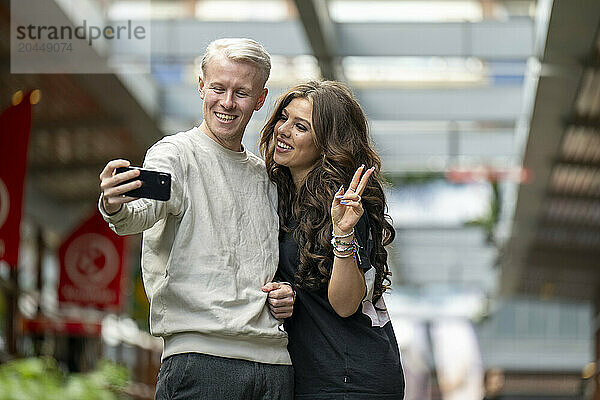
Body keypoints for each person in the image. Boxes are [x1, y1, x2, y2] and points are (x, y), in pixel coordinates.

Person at [98, 38, 295, 400]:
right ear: (201, 85)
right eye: (218, 88)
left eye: (242, 92)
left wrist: (286, 292)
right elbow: (138, 215)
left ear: (261, 99)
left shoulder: (266, 176)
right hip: (201, 363)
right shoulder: (174, 154)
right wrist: (115, 205)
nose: (228, 102)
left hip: (275, 367)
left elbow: (265, 262)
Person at [259, 80, 405, 399]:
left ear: (326, 143)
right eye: (283, 118)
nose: (283, 130)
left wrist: (343, 233)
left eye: (300, 126)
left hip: (350, 379)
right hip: (315, 373)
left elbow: (344, 304)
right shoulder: (280, 196)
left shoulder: (344, 205)